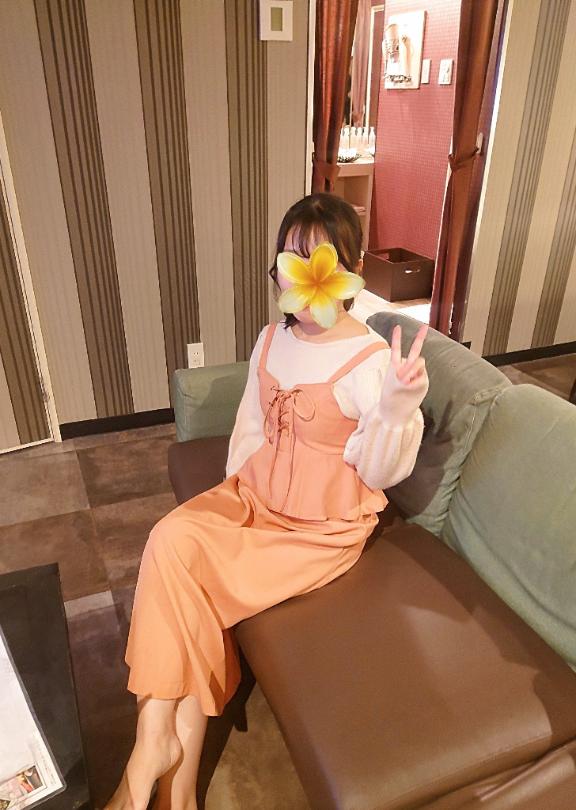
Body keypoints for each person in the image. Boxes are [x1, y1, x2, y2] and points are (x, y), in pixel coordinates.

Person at [103, 192, 429, 810]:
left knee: (190, 589)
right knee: (171, 538)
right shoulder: (272, 336)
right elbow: (250, 427)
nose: (306, 275)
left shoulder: (369, 361)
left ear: (352, 268)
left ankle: (164, 778)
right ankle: (158, 750)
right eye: (293, 259)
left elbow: (381, 472)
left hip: (318, 531)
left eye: (323, 261)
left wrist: (395, 407)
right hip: (254, 498)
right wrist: (229, 507)